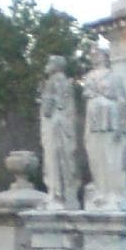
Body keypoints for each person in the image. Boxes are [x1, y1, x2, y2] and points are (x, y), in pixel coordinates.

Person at [82, 52, 126, 209]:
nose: (95, 59)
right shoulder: (89, 76)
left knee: (113, 158)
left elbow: (122, 100)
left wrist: (122, 125)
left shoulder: (114, 77)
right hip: (94, 122)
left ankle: (115, 193)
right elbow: (87, 94)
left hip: (111, 121)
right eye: (93, 57)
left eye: (98, 56)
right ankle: (101, 191)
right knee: (96, 158)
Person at [37, 55, 80, 208]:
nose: (46, 66)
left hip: (54, 126)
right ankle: (67, 195)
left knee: (53, 161)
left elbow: (47, 110)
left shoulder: (51, 83)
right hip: (64, 126)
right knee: (65, 161)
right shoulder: (67, 83)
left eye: (49, 63)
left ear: (56, 66)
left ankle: (55, 195)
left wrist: (42, 98)